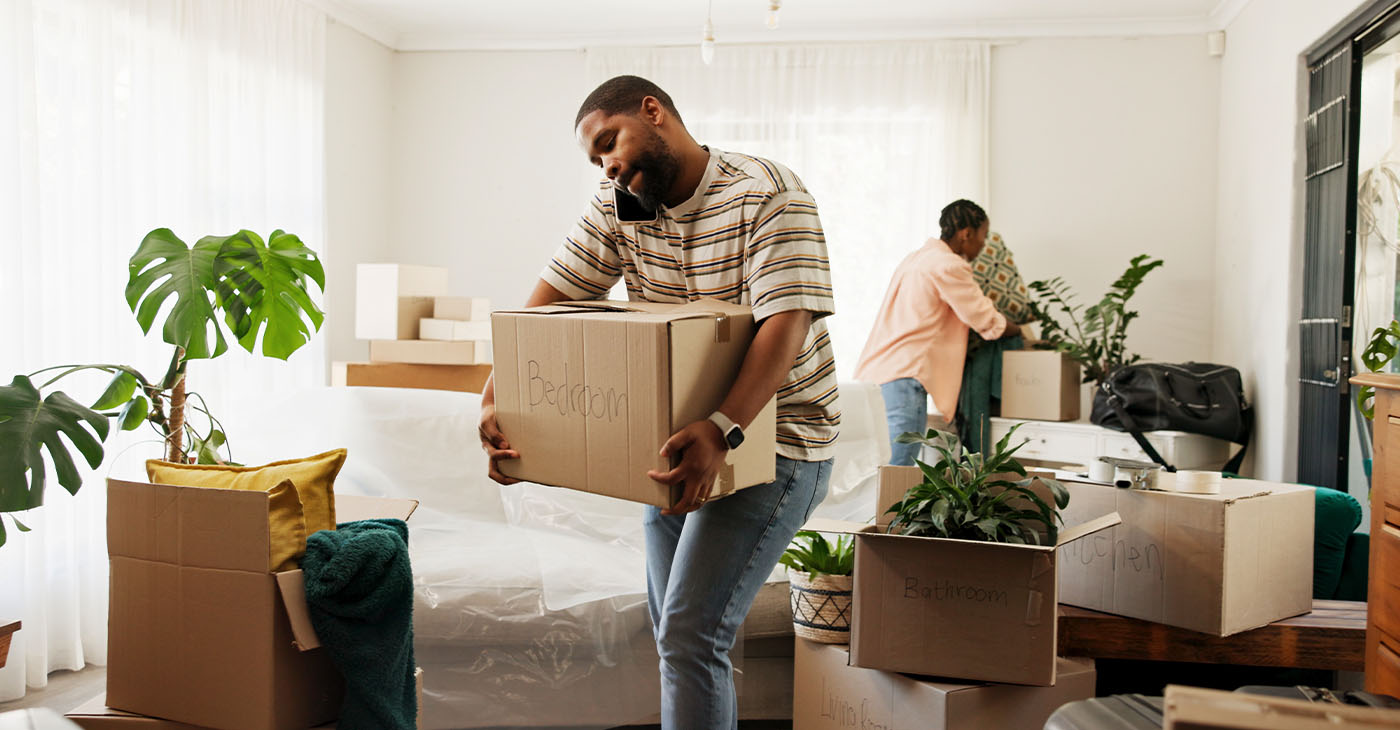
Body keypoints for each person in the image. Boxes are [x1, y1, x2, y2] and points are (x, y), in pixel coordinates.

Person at [476, 75, 839, 730]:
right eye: (596, 159)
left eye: (609, 142)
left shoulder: (768, 193)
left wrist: (723, 427)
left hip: (780, 436)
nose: (608, 164)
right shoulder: (625, 201)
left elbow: (786, 323)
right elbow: (547, 304)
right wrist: (494, 400)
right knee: (679, 634)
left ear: (655, 113)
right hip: (677, 439)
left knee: (690, 633)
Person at [852, 199, 1022, 466]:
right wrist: (1018, 328)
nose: (983, 244)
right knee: (898, 471)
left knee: (880, 471)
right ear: (966, 234)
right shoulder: (948, 265)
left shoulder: (915, 259)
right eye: (983, 236)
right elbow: (985, 319)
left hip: (879, 373)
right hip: (906, 375)